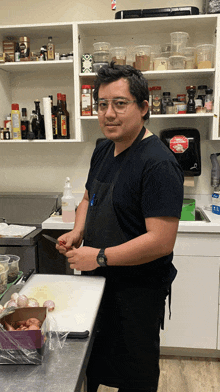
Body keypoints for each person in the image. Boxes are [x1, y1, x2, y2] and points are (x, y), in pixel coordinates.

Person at [56, 62, 184, 392]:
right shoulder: (102, 149)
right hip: (98, 286)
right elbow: (88, 197)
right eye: (102, 104)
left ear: (143, 108)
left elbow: (161, 241)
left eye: (119, 103)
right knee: (93, 362)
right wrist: (77, 231)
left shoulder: (158, 162)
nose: (108, 113)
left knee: (135, 374)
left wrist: (97, 257)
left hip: (137, 293)